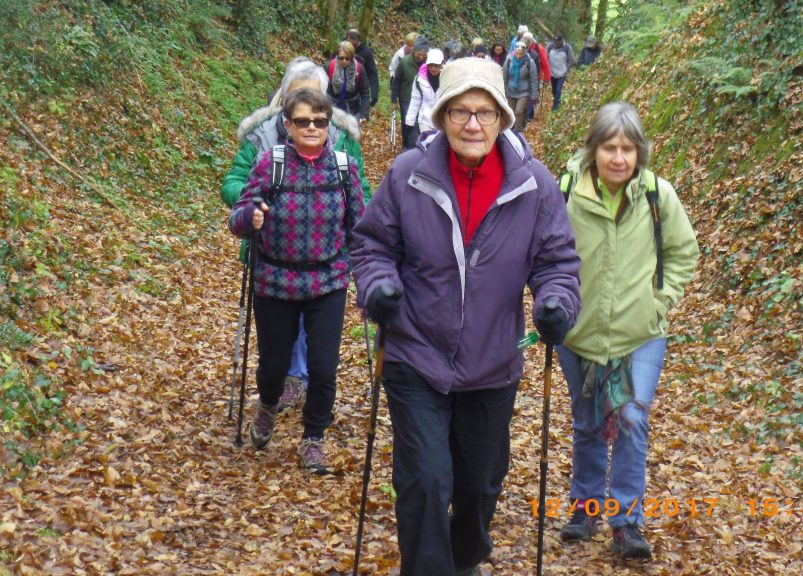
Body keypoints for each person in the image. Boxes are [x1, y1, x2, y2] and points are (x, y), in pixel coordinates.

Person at [351, 57, 581, 576]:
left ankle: (462, 561)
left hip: (492, 362)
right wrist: (378, 286)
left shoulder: (534, 185)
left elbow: (557, 264)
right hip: (415, 354)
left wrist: (556, 304)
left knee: (479, 486)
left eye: (484, 112)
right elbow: (372, 246)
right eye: (459, 111)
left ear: (502, 117)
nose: (472, 124)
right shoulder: (408, 174)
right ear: (442, 116)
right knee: (426, 481)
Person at [555, 101, 699, 558]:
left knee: (632, 419)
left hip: (641, 334)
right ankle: (585, 509)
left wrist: (661, 301)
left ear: (640, 152)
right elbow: (545, 253)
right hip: (579, 332)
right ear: (593, 149)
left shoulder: (658, 195)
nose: (619, 158)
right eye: (609, 148)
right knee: (589, 422)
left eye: (628, 149)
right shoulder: (566, 193)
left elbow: (684, 251)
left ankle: (626, 522)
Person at [221, 57, 372, 413]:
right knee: (277, 342)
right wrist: (258, 204)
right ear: (285, 101)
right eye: (298, 98)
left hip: (326, 265)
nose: (310, 117)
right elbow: (234, 184)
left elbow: (360, 193)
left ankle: (303, 390)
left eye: (316, 100)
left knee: (318, 345)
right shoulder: (260, 137)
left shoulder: (342, 140)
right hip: (273, 259)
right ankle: (280, 386)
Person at [390, 35, 429, 150]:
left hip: (424, 98)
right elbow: (396, 81)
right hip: (406, 97)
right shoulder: (405, 62)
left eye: (423, 54)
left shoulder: (429, 64)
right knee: (407, 122)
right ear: (414, 51)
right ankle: (406, 145)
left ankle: (419, 146)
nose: (421, 57)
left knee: (421, 123)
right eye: (419, 54)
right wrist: (394, 100)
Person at [404, 48, 444, 146]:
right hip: (425, 119)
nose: (433, 68)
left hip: (442, 119)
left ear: (441, 65)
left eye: (436, 65)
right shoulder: (419, 79)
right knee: (427, 146)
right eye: (431, 65)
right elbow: (415, 100)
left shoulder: (447, 78)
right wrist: (409, 122)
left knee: (440, 147)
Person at [328, 41, 371, 122]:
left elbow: (365, 92)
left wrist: (364, 114)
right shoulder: (330, 67)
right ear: (337, 56)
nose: (344, 61)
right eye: (341, 58)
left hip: (353, 111)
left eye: (347, 58)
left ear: (352, 57)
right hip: (332, 110)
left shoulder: (359, 69)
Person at [503, 42, 538, 133]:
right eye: (517, 53)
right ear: (514, 51)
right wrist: (503, 90)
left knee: (518, 111)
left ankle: (517, 131)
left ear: (525, 52)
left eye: (521, 54)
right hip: (510, 91)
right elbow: (504, 77)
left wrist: (534, 95)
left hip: (524, 92)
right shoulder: (508, 60)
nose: (519, 56)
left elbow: (534, 79)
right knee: (510, 112)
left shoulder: (529, 62)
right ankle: (510, 131)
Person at [521, 32, 550, 122]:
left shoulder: (539, 49)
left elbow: (545, 63)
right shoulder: (519, 48)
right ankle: (528, 115)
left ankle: (528, 116)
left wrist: (547, 78)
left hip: (535, 76)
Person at [346, 28, 379, 107]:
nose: (352, 47)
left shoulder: (366, 52)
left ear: (358, 41)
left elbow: (372, 73)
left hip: (359, 91)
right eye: (349, 44)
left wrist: (374, 95)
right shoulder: (341, 49)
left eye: (354, 45)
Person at [547, 34, 575, 112]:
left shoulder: (567, 48)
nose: (555, 44)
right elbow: (545, 55)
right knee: (554, 91)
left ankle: (555, 108)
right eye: (555, 41)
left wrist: (566, 69)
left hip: (561, 74)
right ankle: (558, 101)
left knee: (558, 90)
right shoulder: (551, 46)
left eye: (557, 42)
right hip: (552, 73)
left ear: (561, 41)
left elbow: (571, 60)